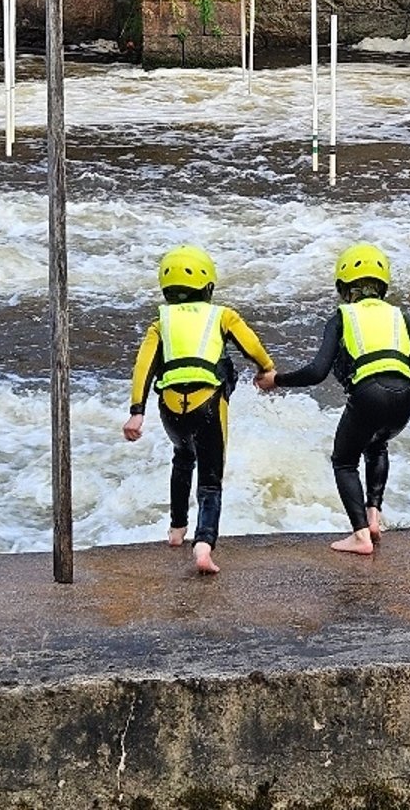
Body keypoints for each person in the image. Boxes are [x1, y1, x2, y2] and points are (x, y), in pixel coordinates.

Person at [258, 243, 410, 555]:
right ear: (383, 286)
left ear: (342, 288)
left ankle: (360, 535)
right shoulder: (397, 315)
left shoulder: (341, 317)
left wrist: (277, 380)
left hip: (369, 394)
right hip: (406, 396)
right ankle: (373, 514)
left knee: (344, 461)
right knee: (377, 445)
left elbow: (317, 371)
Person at [124, 245, 275, 574]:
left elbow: (143, 366)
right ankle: (204, 545)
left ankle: (177, 530)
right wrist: (267, 369)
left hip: (170, 408)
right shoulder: (222, 315)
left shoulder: (159, 323)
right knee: (210, 481)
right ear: (208, 287)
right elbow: (252, 346)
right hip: (209, 404)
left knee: (182, 456)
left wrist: (137, 410)